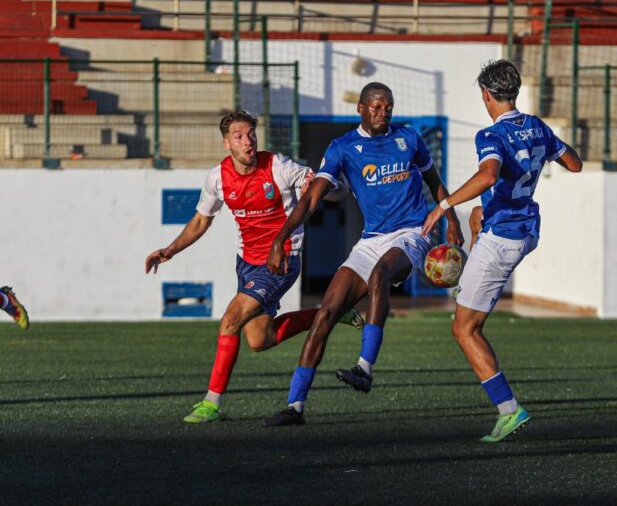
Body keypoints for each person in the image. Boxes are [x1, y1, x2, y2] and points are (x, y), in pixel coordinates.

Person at [262, 82, 464, 427]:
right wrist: (280, 238)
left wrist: (451, 218)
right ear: (360, 108)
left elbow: (434, 181)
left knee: (380, 275)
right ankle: (295, 405)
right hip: (370, 239)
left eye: (388, 107)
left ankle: (364, 368)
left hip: (412, 232)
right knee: (326, 312)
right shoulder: (343, 148)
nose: (383, 113)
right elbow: (311, 198)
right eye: (376, 107)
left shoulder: (409, 139)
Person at [145, 110, 361, 424]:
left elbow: (331, 190)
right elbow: (201, 220)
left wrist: (321, 190)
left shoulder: (279, 166)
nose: (248, 141)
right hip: (246, 263)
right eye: (239, 136)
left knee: (230, 320)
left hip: (281, 259)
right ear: (226, 143)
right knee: (261, 339)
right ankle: (331, 312)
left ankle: (211, 403)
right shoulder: (218, 177)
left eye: (251, 134)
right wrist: (170, 250)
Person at [422, 59, 583, 442]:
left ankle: (508, 411)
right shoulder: (538, 126)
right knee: (479, 213)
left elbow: (488, 175)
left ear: (486, 95)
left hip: (504, 239)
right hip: (528, 228)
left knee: (463, 329)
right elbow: (574, 165)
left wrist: (443, 206)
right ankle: (473, 277)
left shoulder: (489, 135)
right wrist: (541, 147)